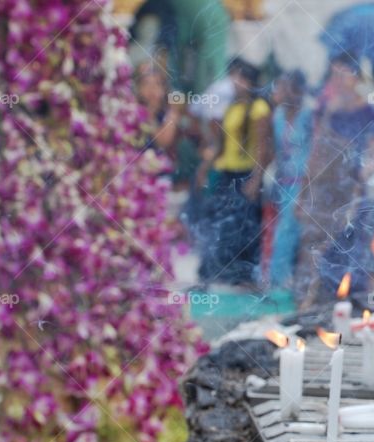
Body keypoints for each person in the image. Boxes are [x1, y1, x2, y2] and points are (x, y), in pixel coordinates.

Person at [296, 53, 374, 307]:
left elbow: (373, 154)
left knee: (354, 248)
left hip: (354, 191)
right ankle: (316, 303)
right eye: (333, 74)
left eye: (342, 74)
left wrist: (363, 177)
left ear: (356, 78)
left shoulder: (370, 114)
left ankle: (353, 304)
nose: (337, 80)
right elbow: (316, 152)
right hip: (326, 190)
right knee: (317, 248)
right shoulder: (327, 111)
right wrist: (304, 191)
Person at [195, 57, 272, 285]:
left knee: (244, 225)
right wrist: (204, 168)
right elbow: (220, 143)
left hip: (245, 173)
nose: (236, 82)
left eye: (241, 77)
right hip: (227, 172)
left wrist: (256, 179)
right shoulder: (233, 106)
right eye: (234, 77)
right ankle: (217, 272)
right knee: (221, 222)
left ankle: (244, 276)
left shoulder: (258, 108)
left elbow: (262, 147)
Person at [267, 70, 313, 288]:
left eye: (284, 87)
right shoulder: (278, 115)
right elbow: (276, 150)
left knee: (292, 230)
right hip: (284, 181)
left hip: (304, 182)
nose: (280, 92)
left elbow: (315, 151)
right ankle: (281, 279)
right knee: (286, 228)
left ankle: (285, 279)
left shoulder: (309, 115)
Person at [134, 62, 181, 154]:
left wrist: (150, 117)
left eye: (157, 84)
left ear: (164, 89)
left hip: (161, 163)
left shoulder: (170, 113)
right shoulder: (133, 110)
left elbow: (163, 143)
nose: (152, 89)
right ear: (138, 88)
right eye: (146, 84)